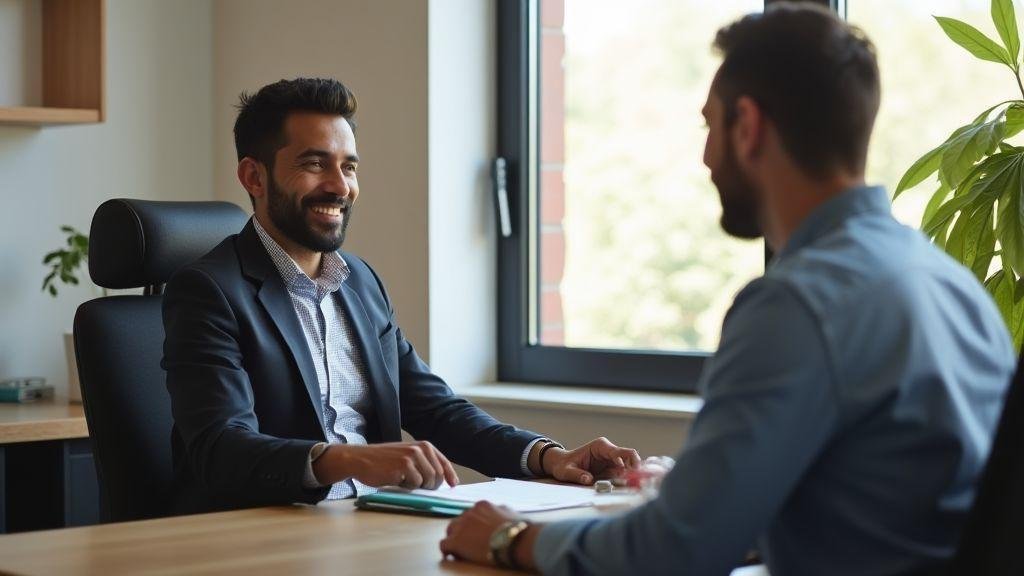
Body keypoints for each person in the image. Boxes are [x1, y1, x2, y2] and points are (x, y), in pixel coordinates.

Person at [439, 4, 1016, 575]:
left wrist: (510, 537)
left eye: (708, 125)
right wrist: (703, 494)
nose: (706, 156)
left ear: (748, 126)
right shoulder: (952, 285)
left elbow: (671, 552)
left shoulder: (796, 305)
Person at [161, 78, 641, 515]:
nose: (339, 186)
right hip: (267, 532)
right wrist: (346, 459)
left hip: (370, 523)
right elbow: (220, 448)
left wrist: (548, 457)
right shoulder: (209, 292)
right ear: (254, 177)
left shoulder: (360, 283)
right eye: (314, 164)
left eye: (348, 166)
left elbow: (435, 410)